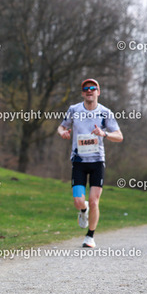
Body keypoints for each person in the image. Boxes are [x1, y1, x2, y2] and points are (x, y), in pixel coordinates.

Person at [57, 79, 123, 248]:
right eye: (86, 88)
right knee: (78, 201)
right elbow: (61, 127)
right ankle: (83, 209)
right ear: (82, 93)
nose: (89, 90)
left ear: (98, 92)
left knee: (94, 201)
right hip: (79, 161)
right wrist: (63, 133)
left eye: (93, 88)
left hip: (97, 161)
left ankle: (90, 236)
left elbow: (119, 136)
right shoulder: (74, 110)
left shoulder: (105, 113)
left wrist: (104, 134)